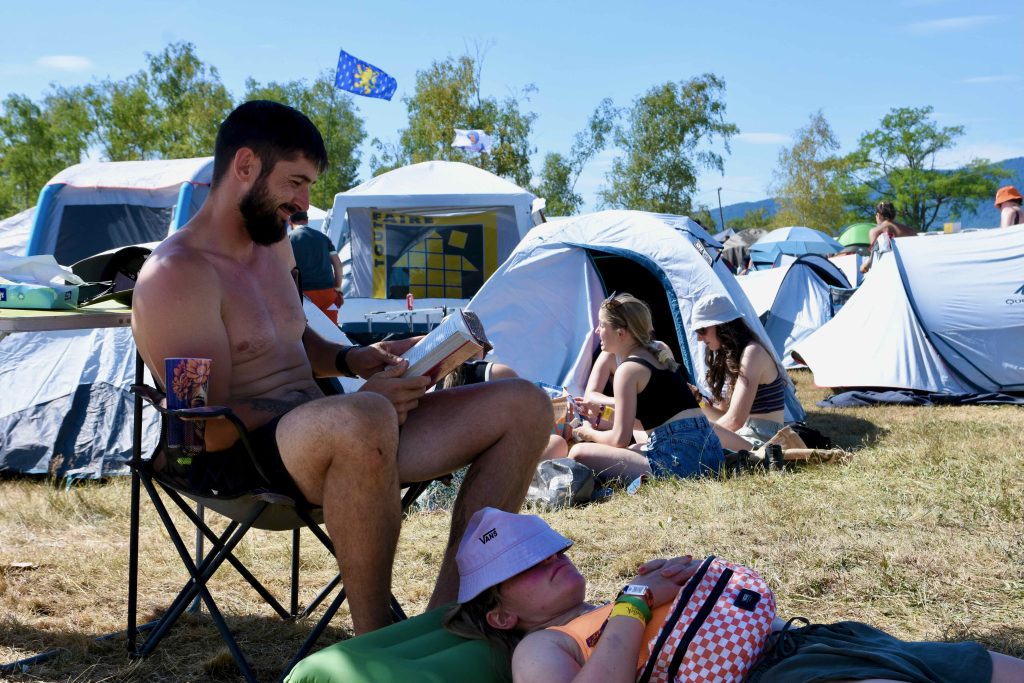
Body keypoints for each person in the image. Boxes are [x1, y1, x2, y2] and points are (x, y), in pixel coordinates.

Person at [131, 100, 552, 636]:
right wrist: (352, 403)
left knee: (525, 405)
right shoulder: (175, 275)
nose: (304, 205)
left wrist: (357, 359)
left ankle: (449, 621)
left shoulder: (273, 244)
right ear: (244, 166)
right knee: (364, 418)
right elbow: (197, 430)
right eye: (296, 183)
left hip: (335, 432)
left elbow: (295, 339)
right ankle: (375, 643)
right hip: (237, 459)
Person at [444, 507, 1024, 683]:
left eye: (552, 549)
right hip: (766, 681)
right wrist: (634, 603)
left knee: (986, 667)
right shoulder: (542, 647)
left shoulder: (629, 592)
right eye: (527, 564)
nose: (553, 559)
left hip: (812, 643)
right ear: (501, 613)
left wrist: (687, 578)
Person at [564, 293, 724, 482]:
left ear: (621, 333)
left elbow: (619, 440)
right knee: (634, 449)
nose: (597, 331)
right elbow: (656, 419)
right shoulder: (659, 353)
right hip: (712, 454)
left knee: (578, 453)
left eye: (602, 325)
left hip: (681, 461)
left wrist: (587, 432)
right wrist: (604, 411)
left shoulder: (627, 370)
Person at [690, 294, 786, 448]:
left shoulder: (753, 353)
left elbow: (734, 421)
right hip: (743, 434)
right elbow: (724, 417)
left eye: (702, 330)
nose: (699, 338)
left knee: (693, 431)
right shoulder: (733, 357)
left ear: (722, 325)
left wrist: (695, 439)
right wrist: (699, 403)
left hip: (764, 440)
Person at [288, 210, 344, 324]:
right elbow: (337, 264)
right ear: (307, 220)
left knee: (306, 334)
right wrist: (338, 289)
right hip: (327, 293)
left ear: (290, 222)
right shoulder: (323, 237)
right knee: (331, 332)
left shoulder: (289, 239)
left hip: (303, 295)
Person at [861, 201, 917, 274]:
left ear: (878, 215)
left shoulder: (875, 231)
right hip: (911, 270)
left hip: (888, 271)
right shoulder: (911, 231)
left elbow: (874, 257)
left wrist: (865, 265)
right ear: (894, 215)